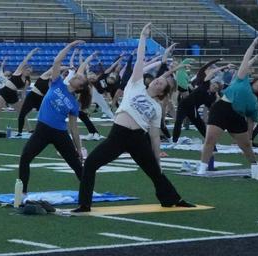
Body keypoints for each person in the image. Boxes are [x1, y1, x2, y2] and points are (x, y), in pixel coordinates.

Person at [76, 24, 194, 212]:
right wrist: (142, 37)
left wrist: (158, 159)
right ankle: (84, 204)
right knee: (90, 163)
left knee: (155, 172)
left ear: (162, 92)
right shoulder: (135, 84)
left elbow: (155, 137)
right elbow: (139, 59)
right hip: (118, 135)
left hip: (138, 138)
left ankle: (173, 199)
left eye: (161, 83)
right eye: (158, 78)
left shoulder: (156, 107)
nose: (157, 80)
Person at [192, 36, 258, 181]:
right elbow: (246, 62)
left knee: (246, 145)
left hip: (236, 116)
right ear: (253, 80)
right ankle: (201, 170)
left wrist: (251, 136)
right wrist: (253, 46)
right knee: (210, 139)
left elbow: (251, 120)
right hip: (222, 109)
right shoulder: (241, 79)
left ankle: (255, 166)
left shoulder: (254, 102)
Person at [16, 40, 89, 194]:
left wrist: (78, 149)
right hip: (42, 129)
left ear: (79, 87)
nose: (76, 76)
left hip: (59, 133)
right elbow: (57, 61)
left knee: (76, 165)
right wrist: (70, 46)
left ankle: (87, 193)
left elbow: (74, 129)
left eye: (79, 78)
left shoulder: (74, 104)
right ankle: (22, 193)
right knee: (25, 158)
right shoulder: (57, 83)